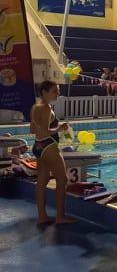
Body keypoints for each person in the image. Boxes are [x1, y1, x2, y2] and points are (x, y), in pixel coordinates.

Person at [29, 81, 76, 225]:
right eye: (55, 91)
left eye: (58, 90)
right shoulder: (46, 108)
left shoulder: (35, 106)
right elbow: (44, 131)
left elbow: (32, 130)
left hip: (38, 146)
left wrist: (51, 128)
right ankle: (60, 217)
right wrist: (59, 129)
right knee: (62, 180)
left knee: (41, 182)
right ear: (44, 92)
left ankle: (42, 216)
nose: (58, 93)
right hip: (49, 147)